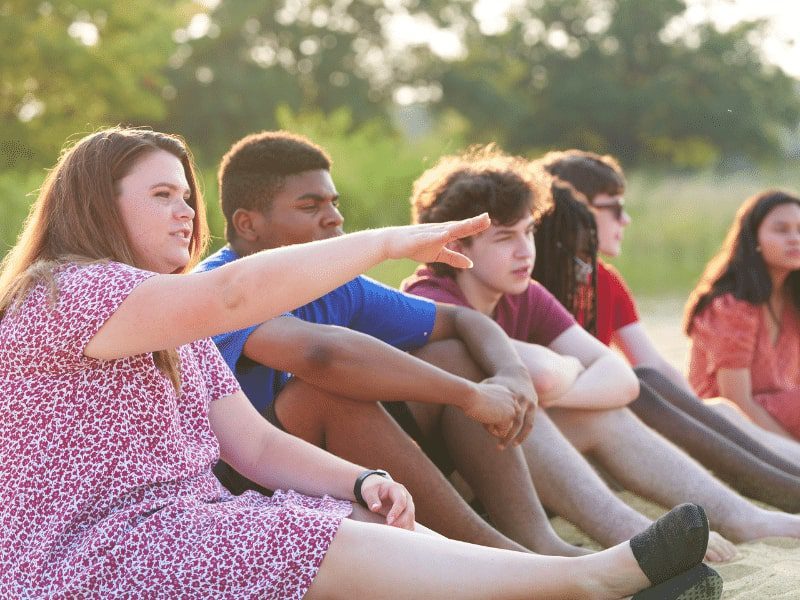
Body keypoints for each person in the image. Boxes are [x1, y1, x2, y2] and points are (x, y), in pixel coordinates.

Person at [0, 126, 724, 599]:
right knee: (292, 533)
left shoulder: (169, 318)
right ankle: (588, 584)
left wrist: (365, 478)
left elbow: (251, 443)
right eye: (162, 195)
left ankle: (560, 578)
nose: (186, 212)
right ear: (99, 202)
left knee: (349, 512)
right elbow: (235, 295)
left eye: (187, 196)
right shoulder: (66, 291)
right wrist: (383, 243)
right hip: (84, 559)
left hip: (174, 530)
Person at [194, 130, 586, 557]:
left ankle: (538, 543)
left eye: (334, 203)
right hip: (233, 483)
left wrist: (513, 373)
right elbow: (320, 355)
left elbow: (462, 320)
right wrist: (470, 396)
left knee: (451, 355)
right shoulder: (218, 288)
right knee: (328, 395)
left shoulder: (334, 283)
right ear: (247, 224)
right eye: (310, 206)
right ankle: (498, 558)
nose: (333, 219)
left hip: (313, 466)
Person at [404, 145, 800, 550]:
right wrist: (562, 378)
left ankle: (743, 519)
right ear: (454, 247)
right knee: (532, 407)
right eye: (506, 238)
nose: (526, 251)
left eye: (528, 232)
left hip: (517, 457)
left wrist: (557, 389)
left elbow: (621, 377)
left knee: (602, 413)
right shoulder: (431, 299)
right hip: (452, 485)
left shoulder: (525, 294)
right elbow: (539, 373)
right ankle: (637, 540)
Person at [532, 178, 800, 512]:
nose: (625, 219)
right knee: (704, 405)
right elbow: (734, 395)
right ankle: (769, 501)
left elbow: (650, 365)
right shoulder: (733, 305)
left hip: (611, 409)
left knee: (693, 401)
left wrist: (693, 413)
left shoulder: (603, 281)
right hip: (573, 427)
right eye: (612, 209)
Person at [685, 189, 800, 441]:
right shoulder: (730, 306)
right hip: (727, 432)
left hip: (779, 424)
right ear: (754, 240)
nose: (795, 239)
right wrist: (791, 453)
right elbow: (736, 402)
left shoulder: (794, 302)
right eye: (781, 230)